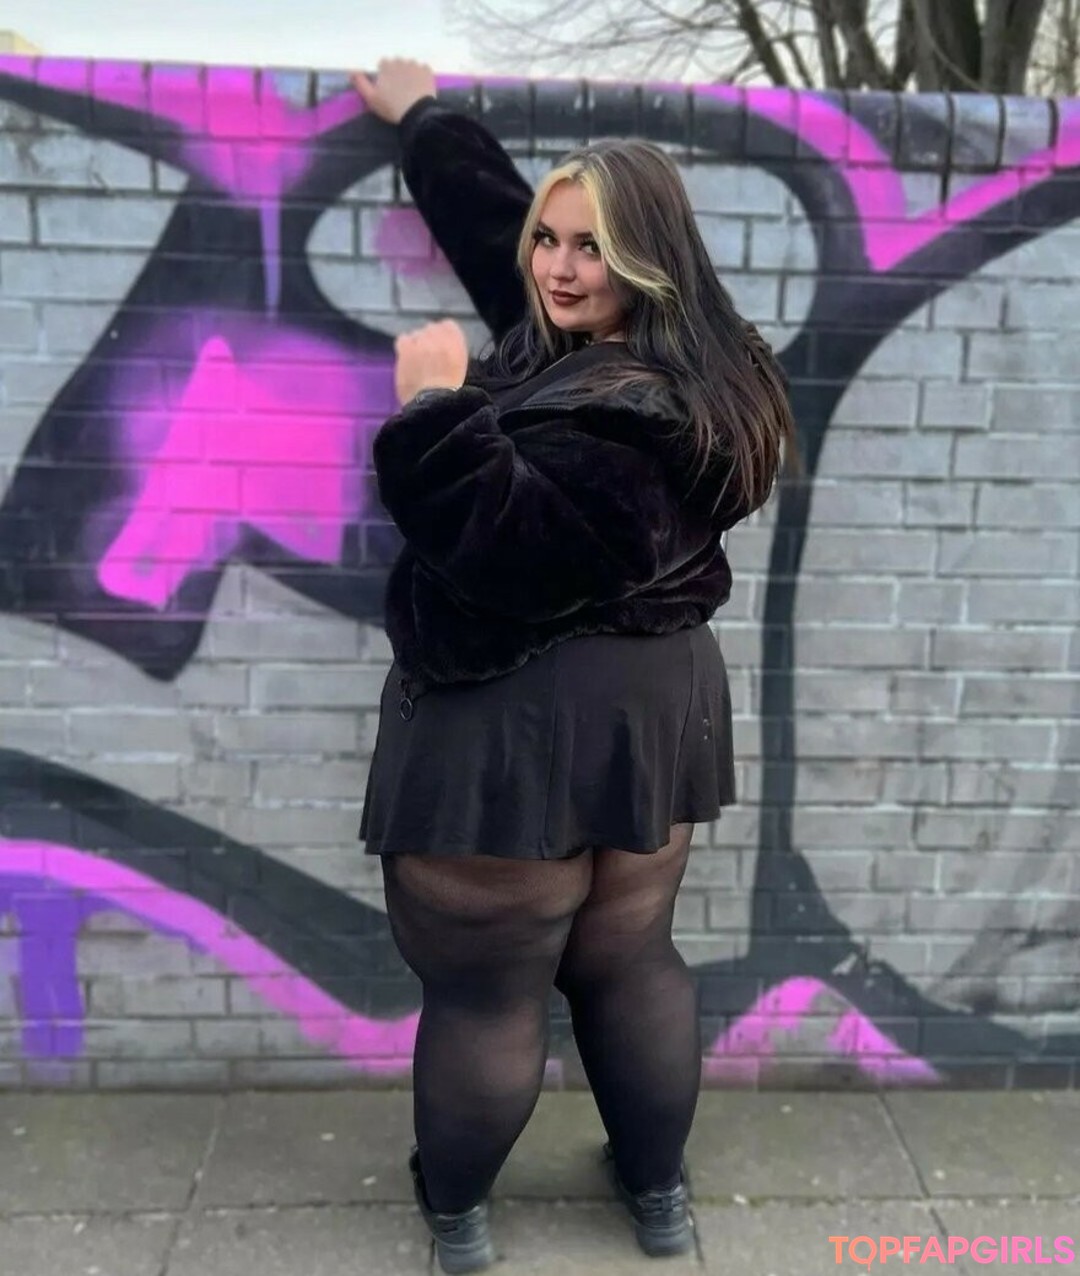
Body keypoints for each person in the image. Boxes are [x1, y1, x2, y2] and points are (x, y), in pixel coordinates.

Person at [351, 57, 794, 1274]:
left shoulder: (634, 417)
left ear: (649, 256)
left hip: (514, 712)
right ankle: (658, 1198)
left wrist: (433, 410)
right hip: (649, 707)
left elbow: (515, 558)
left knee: (489, 994)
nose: (555, 266)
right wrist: (427, 121)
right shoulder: (700, 368)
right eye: (550, 239)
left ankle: (457, 1217)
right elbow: (497, 229)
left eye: (590, 246)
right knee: (629, 957)